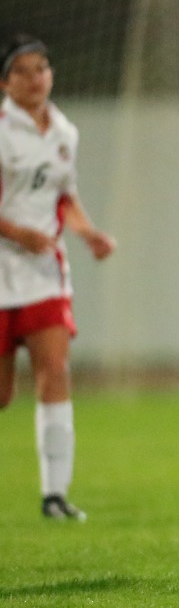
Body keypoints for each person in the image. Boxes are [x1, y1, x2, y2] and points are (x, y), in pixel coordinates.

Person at [0, 34, 117, 521]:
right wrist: (18, 233)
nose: (35, 78)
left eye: (42, 68)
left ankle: (55, 495)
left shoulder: (64, 132)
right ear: (6, 82)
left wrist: (88, 232)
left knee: (55, 371)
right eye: (23, 70)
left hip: (46, 275)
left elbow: (63, 197)